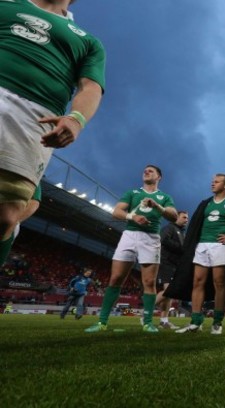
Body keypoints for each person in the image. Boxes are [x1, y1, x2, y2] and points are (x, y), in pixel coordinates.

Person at [0, 0, 105, 271]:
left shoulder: (88, 41)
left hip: (35, 114)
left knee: (6, 215)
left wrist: (76, 119)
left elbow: (91, 86)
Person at [85, 165, 178, 333]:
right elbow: (117, 211)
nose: (146, 171)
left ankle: (148, 322)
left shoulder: (164, 197)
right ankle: (102, 322)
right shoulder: (132, 193)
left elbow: (173, 215)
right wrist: (132, 217)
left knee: (149, 282)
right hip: (129, 235)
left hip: (151, 238)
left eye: (151, 170)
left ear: (159, 177)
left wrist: (157, 206)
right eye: (145, 170)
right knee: (116, 278)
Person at [175, 174, 225, 335]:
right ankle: (196, 321)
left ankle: (217, 322)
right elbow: (195, 225)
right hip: (202, 245)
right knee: (197, 281)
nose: (213, 183)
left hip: (220, 246)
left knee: (219, 282)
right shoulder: (205, 203)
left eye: (217, 181)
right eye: (212, 181)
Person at [154, 210, 188, 330]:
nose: (186, 220)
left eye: (187, 218)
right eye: (184, 217)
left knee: (170, 294)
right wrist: (182, 248)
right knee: (169, 291)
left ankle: (164, 321)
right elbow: (163, 240)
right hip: (166, 262)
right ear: (176, 217)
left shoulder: (181, 232)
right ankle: (146, 312)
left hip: (174, 264)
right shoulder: (169, 228)